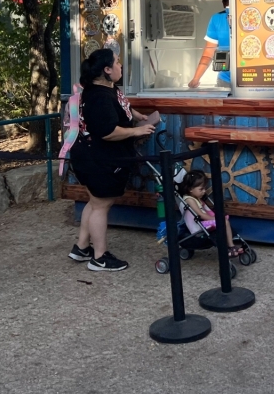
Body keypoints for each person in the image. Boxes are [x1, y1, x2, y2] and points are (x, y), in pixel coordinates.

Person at [68, 48, 159, 271]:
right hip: (98, 159)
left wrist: (136, 116)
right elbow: (107, 131)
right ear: (106, 70)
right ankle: (99, 257)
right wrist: (135, 132)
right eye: (117, 63)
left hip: (87, 156)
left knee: (94, 201)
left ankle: (81, 247)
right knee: (101, 205)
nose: (121, 66)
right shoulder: (99, 97)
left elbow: (121, 106)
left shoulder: (104, 89)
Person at [178, 169, 243, 257]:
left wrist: (217, 216)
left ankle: (230, 244)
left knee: (224, 220)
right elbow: (201, 215)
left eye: (204, 188)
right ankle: (230, 246)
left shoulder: (197, 198)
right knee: (223, 221)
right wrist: (216, 218)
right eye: (201, 189)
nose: (204, 191)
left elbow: (208, 211)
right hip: (197, 227)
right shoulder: (189, 200)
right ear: (190, 189)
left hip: (202, 223)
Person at [188, 0, 231, 88]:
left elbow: (208, 55)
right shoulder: (254, 16)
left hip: (225, 80)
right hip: (255, 77)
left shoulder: (217, 19)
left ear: (223, 2)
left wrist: (196, 79)